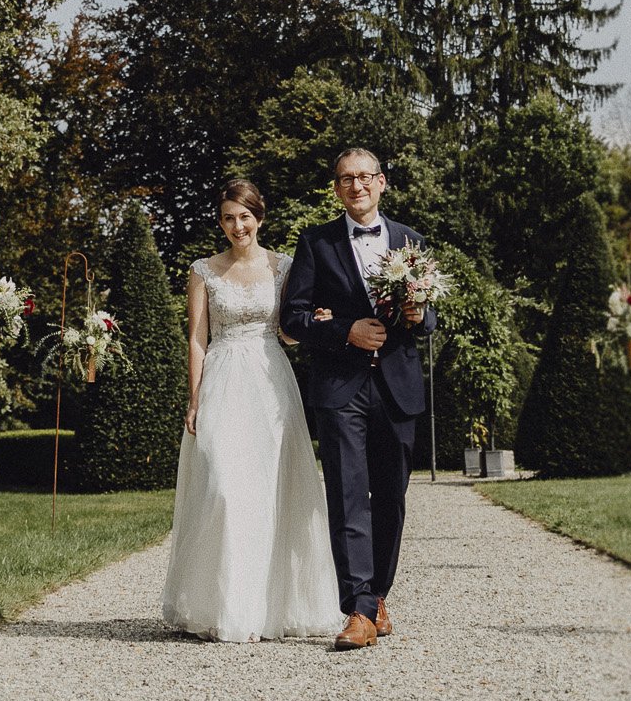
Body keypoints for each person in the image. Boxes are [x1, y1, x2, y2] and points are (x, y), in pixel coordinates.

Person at [160, 179, 342, 642]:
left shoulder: (283, 267)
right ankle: (223, 605)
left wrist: (317, 326)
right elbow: (197, 338)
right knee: (222, 488)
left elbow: (287, 332)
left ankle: (269, 609)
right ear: (220, 222)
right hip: (222, 379)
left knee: (269, 492)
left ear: (259, 218)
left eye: (244, 216)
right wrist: (194, 397)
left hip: (269, 383)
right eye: (228, 217)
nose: (237, 226)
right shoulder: (203, 270)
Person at [279, 148, 435, 651]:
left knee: (390, 498)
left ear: (382, 182)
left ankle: (379, 596)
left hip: (397, 387)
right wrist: (347, 331)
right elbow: (293, 319)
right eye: (346, 179)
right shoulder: (315, 242)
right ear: (336, 189)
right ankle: (358, 609)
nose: (357, 186)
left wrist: (417, 317)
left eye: (365, 177)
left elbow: (430, 316)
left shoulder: (411, 239)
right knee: (347, 497)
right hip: (341, 388)